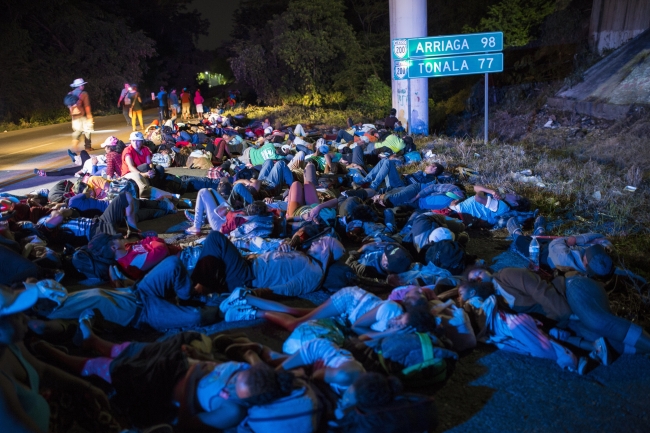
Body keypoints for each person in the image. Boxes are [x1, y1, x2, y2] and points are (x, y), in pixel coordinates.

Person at [0, 285, 110, 433]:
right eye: (16, 315)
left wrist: (87, 387)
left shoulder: (12, 344)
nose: (26, 318)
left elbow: (42, 371)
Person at [190, 231, 344, 297]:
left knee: (216, 238)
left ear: (326, 251)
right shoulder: (305, 257)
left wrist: (257, 293)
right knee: (206, 259)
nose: (317, 241)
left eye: (322, 241)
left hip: (247, 277)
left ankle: (195, 288)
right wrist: (283, 250)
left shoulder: (315, 271)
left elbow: (290, 288)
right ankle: (195, 286)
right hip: (248, 266)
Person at [122, 131, 167, 196]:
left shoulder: (145, 149)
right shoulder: (128, 150)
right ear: (131, 141)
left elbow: (149, 162)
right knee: (145, 167)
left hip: (144, 170)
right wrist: (142, 174)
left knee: (159, 168)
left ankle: (158, 189)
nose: (135, 143)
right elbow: (131, 167)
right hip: (131, 173)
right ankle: (150, 192)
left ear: (142, 141)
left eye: (138, 141)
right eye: (133, 141)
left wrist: (152, 170)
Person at [68, 78, 94, 151]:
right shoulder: (84, 94)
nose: (83, 86)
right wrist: (89, 115)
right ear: (80, 86)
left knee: (77, 131)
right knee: (87, 130)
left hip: (74, 116)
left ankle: (75, 144)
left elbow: (69, 107)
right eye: (83, 85)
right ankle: (88, 147)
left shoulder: (70, 94)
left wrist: (72, 116)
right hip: (83, 116)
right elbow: (87, 106)